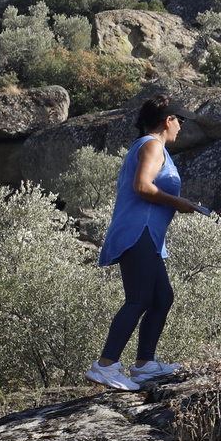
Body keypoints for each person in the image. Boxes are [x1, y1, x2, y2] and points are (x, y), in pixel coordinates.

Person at [86, 94, 208, 391]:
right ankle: (105, 365)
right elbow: (143, 186)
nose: (181, 126)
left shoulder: (153, 147)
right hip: (137, 231)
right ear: (168, 120)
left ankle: (144, 365)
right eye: (180, 120)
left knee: (162, 297)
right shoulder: (153, 146)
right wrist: (178, 202)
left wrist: (179, 203)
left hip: (147, 235)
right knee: (139, 299)